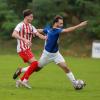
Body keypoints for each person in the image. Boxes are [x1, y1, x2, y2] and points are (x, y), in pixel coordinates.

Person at [13, 15, 87, 89]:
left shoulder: (57, 30)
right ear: (55, 23)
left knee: (65, 67)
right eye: (60, 23)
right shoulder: (48, 29)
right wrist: (29, 32)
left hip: (56, 54)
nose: (62, 25)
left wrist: (79, 25)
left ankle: (74, 83)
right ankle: (21, 70)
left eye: (62, 23)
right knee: (36, 68)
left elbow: (67, 30)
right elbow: (38, 30)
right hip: (47, 55)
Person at [12, 9, 47, 89]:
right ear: (26, 17)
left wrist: (45, 37)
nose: (32, 18)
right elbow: (14, 34)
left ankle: (20, 76)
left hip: (27, 49)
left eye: (32, 17)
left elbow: (38, 34)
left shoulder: (31, 27)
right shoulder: (20, 25)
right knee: (35, 63)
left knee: (36, 67)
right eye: (31, 17)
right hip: (22, 49)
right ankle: (24, 81)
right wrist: (24, 40)